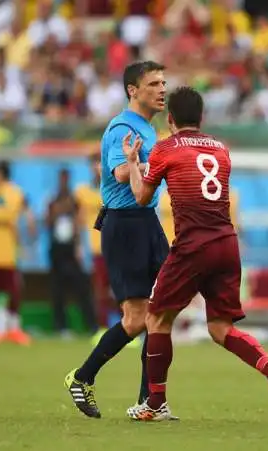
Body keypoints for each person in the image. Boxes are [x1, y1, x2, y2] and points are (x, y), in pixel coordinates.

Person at [123, 86, 268, 421]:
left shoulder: (165, 149)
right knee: (219, 327)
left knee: (157, 318)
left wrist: (132, 165)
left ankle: (156, 402)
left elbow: (142, 197)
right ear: (201, 118)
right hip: (226, 244)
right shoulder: (221, 149)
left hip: (193, 245)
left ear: (170, 119)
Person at [64, 61, 173, 420]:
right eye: (154, 83)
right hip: (126, 224)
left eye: (163, 82)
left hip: (147, 222)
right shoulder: (123, 127)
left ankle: (149, 403)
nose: (162, 89)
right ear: (132, 90)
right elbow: (120, 171)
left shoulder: (147, 128)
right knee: (137, 317)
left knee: (160, 312)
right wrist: (150, 163)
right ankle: (82, 377)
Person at [46, 168, 96, 336]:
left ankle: (91, 326)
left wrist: (78, 246)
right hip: (57, 249)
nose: (64, 181)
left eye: (66, 178)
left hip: (71, 249)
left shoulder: (75, 200)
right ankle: (61, 326)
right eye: (62, 178)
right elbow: (48, 222)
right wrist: (59, 208)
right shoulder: (52, 200)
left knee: (81, 287)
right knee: (57, 289)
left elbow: (77, 224)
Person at [0, 160, 36, 346]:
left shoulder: (13, 193)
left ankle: (14, 329)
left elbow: (17, 216)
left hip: (7, 254)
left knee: (13, 292)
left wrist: (25, 241)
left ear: (1, 175)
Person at [75, 151, 113, 343]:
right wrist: (79, 246)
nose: (97, 167)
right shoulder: (83, 192)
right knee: (100, 289)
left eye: (100, 162)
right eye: (93, 163)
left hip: (117, 247)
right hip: (97, 248)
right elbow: (80, 220)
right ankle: (103, 328)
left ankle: (129, 329)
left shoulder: (115, 186)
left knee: (123, 289)